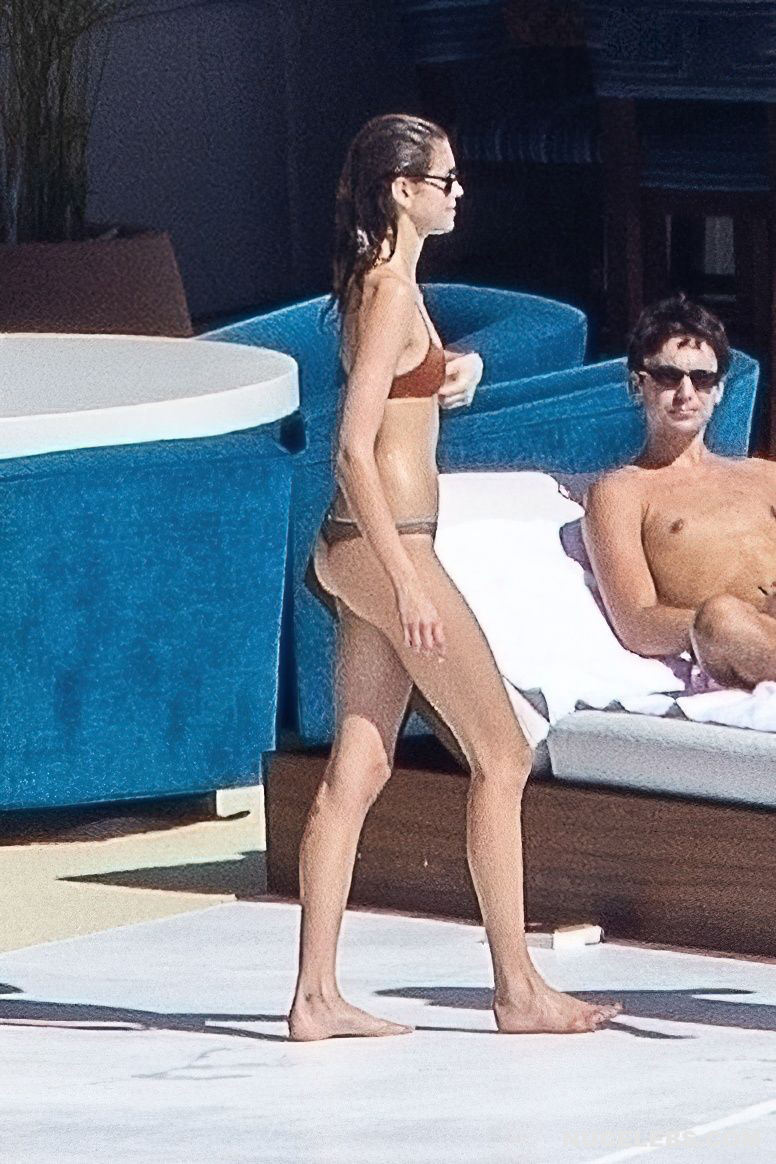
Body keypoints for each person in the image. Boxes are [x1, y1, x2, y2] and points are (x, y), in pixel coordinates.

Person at [287, 113, 622, 1041]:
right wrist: (404, 581)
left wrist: (449, 372)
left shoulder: (384, 287)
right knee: (503, 756)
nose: (459, 192)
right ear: (403, 191)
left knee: (358, 769)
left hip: (360, 546)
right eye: (445, 180)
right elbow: (352, 447)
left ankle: (315, 998)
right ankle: (518, 990)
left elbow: (395, 395)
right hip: (389, 545)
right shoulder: (391, 291)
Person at [583, 293, 776, 690]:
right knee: (721, 617)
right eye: (669, 377)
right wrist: (713, 624)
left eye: (702, 379)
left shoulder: (764, 474)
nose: (686, 393)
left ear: (719, 390)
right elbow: (636, 622)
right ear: (638, 385)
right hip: (733, 640)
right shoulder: (621, 491)